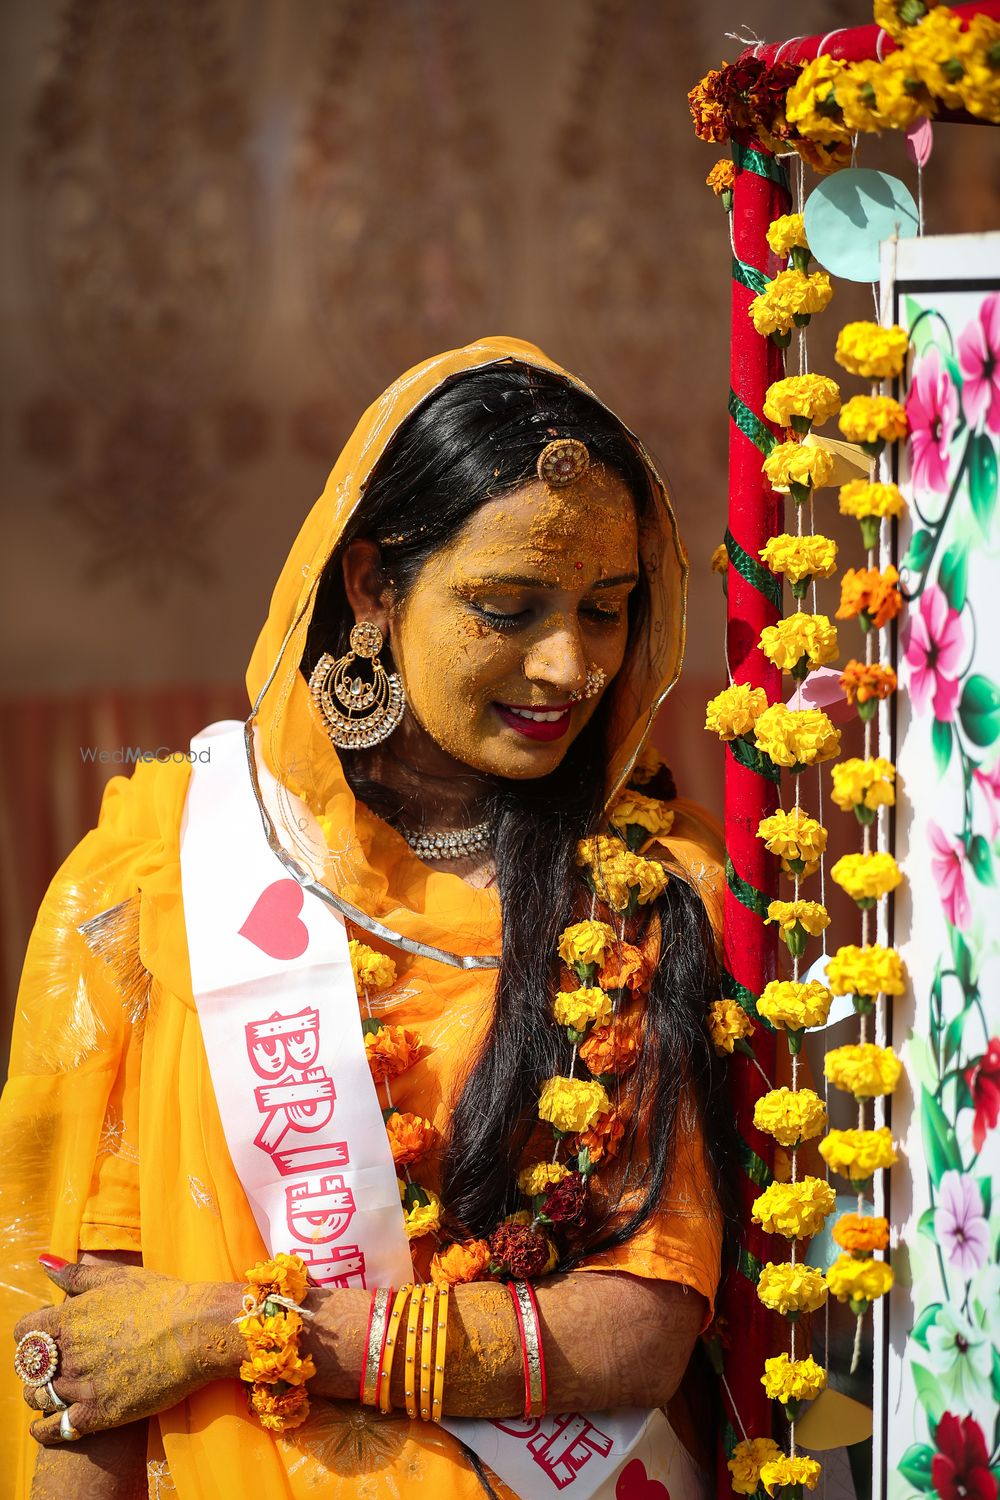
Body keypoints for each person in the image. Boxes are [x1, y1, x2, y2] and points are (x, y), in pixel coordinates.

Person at [1, 337, 735, 1500]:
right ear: (370, 587)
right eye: (507, 606)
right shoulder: (168, 871)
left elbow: (639, 1329)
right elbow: (95, 1343)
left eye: (606, 609)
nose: (568, 665)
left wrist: (236, 1329)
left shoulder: (641, 895)